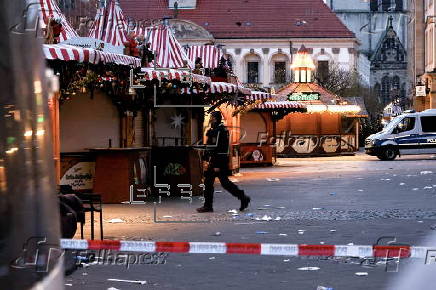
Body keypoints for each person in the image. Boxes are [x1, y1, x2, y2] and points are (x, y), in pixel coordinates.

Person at [197, 111, 250, 213]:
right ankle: (242, 197)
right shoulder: (217, 130)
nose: (210, 119)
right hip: (217, 161)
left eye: (211, 117)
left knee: (221, 183)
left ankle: (243, 198)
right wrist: (206, 156)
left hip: (218, 161)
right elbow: (211, 147)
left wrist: (216, 164)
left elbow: (219, 148)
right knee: (215, 183)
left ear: (215, 118)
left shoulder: (219, 131)